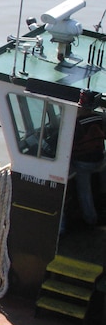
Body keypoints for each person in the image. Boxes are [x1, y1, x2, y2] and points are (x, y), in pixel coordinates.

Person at [70, 93, 106, 227]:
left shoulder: (77, 124)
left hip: (84, 164)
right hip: (99, 159)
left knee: (84, 191)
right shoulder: (98, 118)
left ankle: (91, 219)